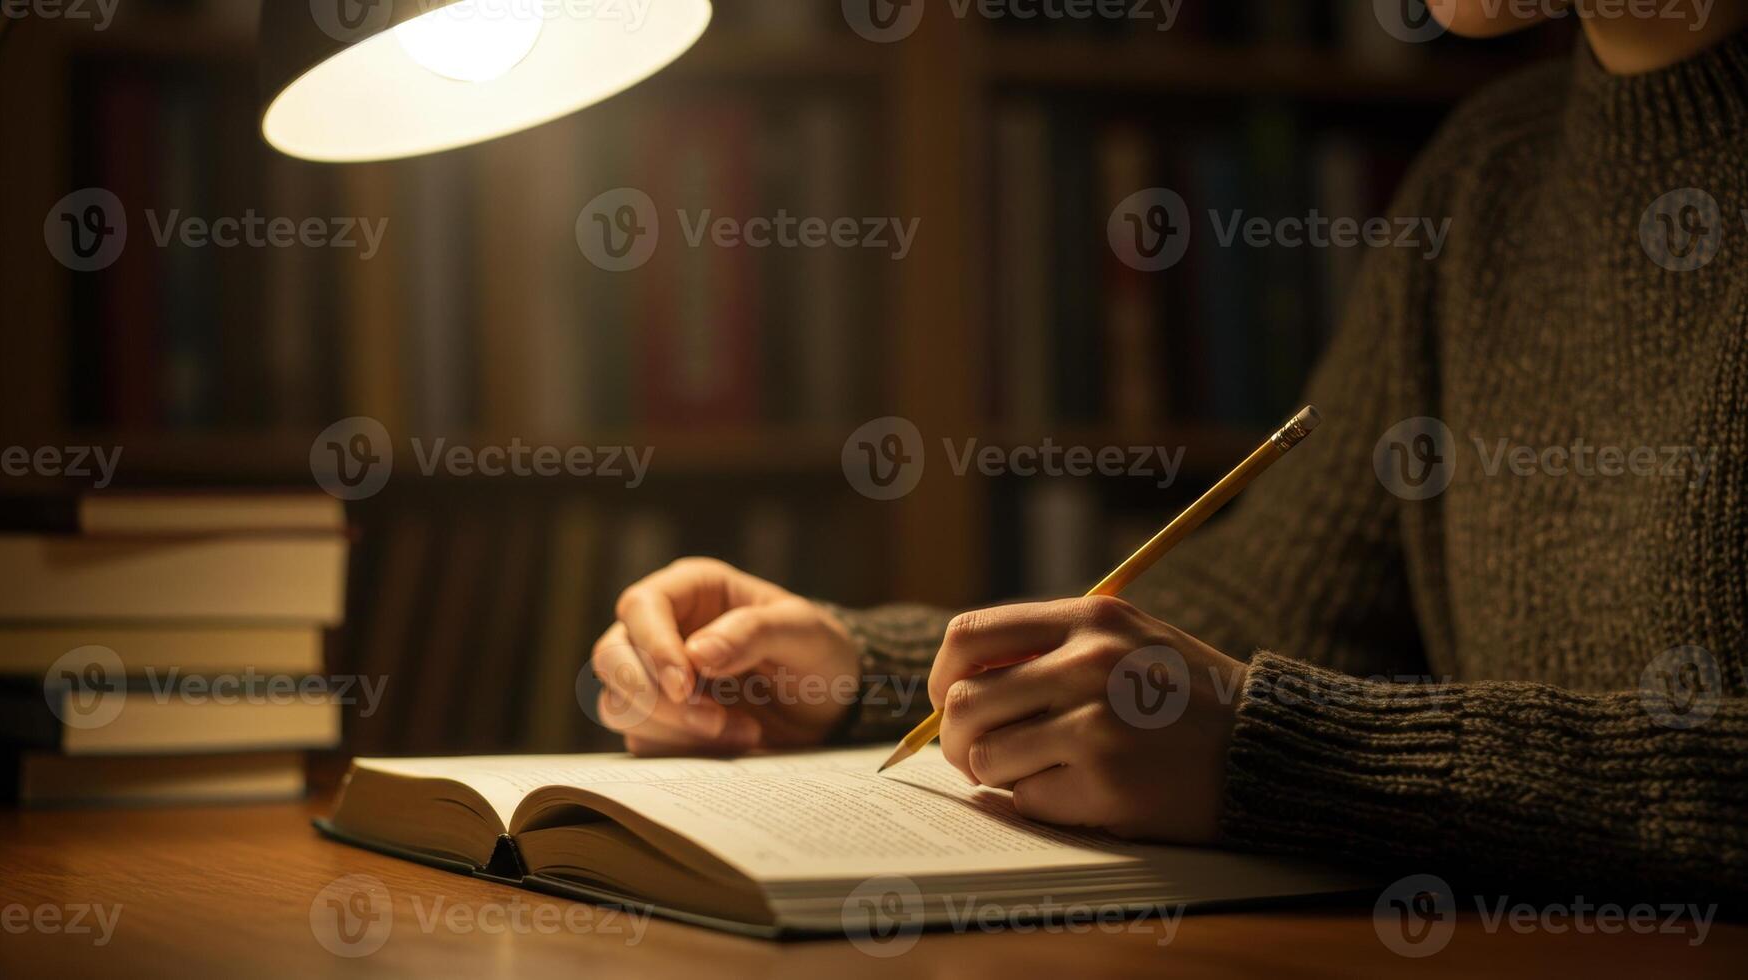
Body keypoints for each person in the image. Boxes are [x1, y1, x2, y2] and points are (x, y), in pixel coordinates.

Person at [588, 4, 1748, 902]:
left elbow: (1243, 715)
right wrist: (864, 671)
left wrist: (1287, 758)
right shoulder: (1495, 167)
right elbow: (1265, 604)